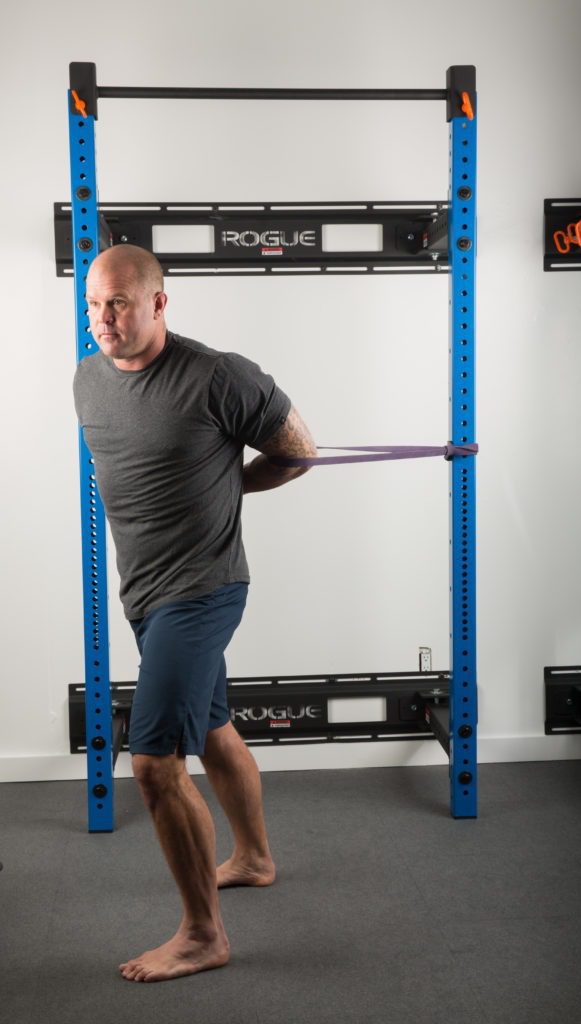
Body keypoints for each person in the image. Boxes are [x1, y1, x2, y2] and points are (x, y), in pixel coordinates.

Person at [73, 244, 317, 983]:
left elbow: (298, 450)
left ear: (158, 303)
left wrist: (227, 485)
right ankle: (254, 858)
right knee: (212, 728)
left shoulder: (217, 376)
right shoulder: (87, 379)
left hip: (203, 589)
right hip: (144, 593)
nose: (102, 319)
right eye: (93, 305)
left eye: (118, 303)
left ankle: (202, 935)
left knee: (154, 763)